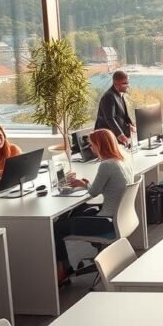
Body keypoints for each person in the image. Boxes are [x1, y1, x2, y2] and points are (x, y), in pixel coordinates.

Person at [53, 129, 135, 284]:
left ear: (100, 145)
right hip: (120, 218)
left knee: (56, 228)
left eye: (92, 144)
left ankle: (63, 271)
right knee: (76, 213)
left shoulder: (106, 165)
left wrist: (84, 184)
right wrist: (86, 184)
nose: (90, 148)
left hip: (106, 223)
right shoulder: (123, 159)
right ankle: (65, 267)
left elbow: (93, 192)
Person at [95, 70, 135, 147]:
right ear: (116, 83)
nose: (128, 85)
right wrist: (120, 134)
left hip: (117, 138)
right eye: (125, 83)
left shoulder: (120, 94)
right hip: (108, 138)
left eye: (128, 82)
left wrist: (131, 126)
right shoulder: (109, 97)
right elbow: (110, 118)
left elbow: (123, 115)